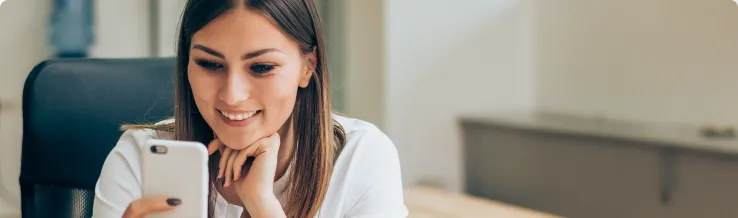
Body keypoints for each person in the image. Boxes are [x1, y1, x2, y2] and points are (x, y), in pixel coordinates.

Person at [91, 0, 407, 217]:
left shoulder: (361, 158)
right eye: (210, 64)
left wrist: (262, 205)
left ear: (307, 68)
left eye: (262, 67)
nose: (233, 94)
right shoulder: (139, 157)